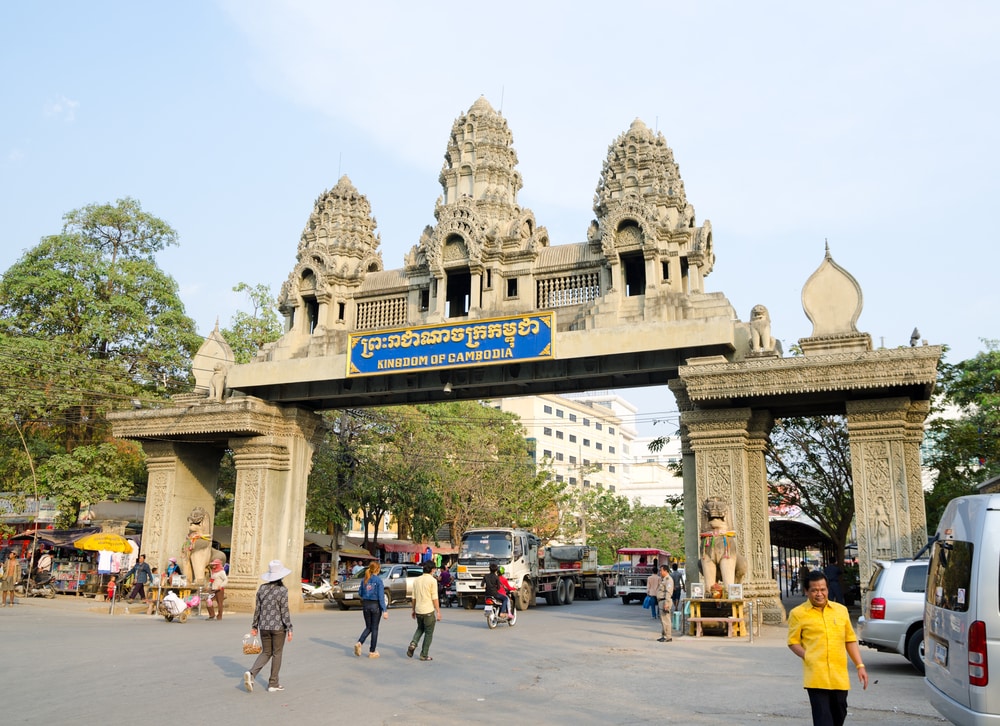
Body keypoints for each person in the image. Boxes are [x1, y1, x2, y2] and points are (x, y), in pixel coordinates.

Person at [787, 571, 868, 726]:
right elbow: (793, 642)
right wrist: (807, 656)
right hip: (816, 676)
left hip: (839, 676)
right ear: (806, 591)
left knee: (840, 713)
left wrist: (860, 666)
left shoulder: (840, 610)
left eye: (822, 589)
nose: (819, 594)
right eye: (814, 590)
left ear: (828, 589)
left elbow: (849, 640)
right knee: (823, 720)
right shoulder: (798, 614)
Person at [245, 560, 294, 693]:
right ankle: (273, 683)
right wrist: (289, 628)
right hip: (278, 627)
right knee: (277, 653)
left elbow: (258, 609)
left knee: (266, 652)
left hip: (264, 626)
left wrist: (254, 626)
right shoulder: (282, 590)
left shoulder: (262, 588)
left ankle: (252, 673)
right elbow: (284, 611)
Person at [407, 559, 441, 661]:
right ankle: (424, 654)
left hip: (418, 610)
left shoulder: (417, 580)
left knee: (420, 628)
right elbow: (434, 597)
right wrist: (438, 611)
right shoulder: (432, 581)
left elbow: (413, 597)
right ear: (432, 570)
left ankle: (413, 643)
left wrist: (413, 610)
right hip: (428, 611)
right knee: (428, 633)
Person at [354, 562, 388, 658]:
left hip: (366, 605)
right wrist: (384, 610)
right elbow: (381, 597)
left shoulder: (364, 580)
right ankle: (372, 651)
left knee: (368, 627)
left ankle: (360, 642)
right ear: (378, 569)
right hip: (375, 606)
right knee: (374, 628)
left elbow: (360, 593)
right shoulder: (378, 581)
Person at [655, 564, 674, 642]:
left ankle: (668, 636)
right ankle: (664, 635)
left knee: (666, 620)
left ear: (665, 571)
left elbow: (668, 592)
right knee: (663, 620)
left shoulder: (668, 580)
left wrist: (666, 603)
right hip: (661, 601)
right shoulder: (664, 579)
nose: (660, 572)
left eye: (661, 570)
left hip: (665, 601)